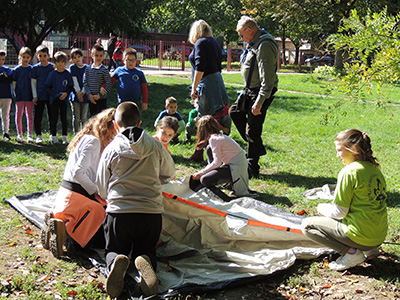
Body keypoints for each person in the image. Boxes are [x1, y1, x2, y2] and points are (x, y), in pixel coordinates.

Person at [96, 102, 175, 298]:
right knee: (147, 248)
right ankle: (146, 262)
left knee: (113, 248)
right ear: (140, 123)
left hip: (119, 212)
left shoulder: (112, 148)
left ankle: (115, 261)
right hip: (150, 213)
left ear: (115, 125)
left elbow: (100, 185)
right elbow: (169, 174)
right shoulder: (156, 146)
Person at [302, 129, 387, 271]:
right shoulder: (375, 169)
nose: (337, 155)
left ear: (353, 149)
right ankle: (369, 250)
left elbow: (340, 212)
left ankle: (351, 253)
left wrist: (321, 207)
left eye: (340, 150)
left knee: (307, 225)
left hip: (361, 236)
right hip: (378, 237)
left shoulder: (349, 171)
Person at [41, 108, 117, 258]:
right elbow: (79, 173)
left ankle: (60, 224)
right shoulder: (94, 141)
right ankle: (69, 237)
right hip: (76, 195)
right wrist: (96, 191)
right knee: (103, 213)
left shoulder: (89, 138)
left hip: (69, 194)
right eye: (115, 131)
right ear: (108, 127)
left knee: (103, 207)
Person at [229, 16, 279, 179]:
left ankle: (253, 167)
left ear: (249, 30)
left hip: (261, 91)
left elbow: (268, 78)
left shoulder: (264, 45)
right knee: (235, 112)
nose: (241, 39)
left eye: (242, 35)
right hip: (250, 89)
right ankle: (257, 147)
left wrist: (259, 102)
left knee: (253, 128)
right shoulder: (255, 42)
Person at [186, 20, 229, 160]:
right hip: (217, 81)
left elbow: (200, 67)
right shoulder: (214, 42)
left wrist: (194, 87)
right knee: (214, 117)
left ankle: (199, 153)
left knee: (203, 119)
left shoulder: (200, 43)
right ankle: (219, 150)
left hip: (207, 83)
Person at [192, 115, 250, 197]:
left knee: (204, 179)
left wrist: (201, 173)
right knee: (209, 148)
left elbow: (217, 163)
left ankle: (225, 198)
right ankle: (222, 180)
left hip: (235, 168)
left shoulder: (214, 139)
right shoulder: (219, 137)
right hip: (232, 165)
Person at [45, 51, 74, 144]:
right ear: (55, 62)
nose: (60, 64)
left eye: (62, 61)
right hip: (54, 100)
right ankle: (53, 136)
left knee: (63, 118)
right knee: (54, 118)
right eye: (58, 61)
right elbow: (47, 87)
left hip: (64, 100)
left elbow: (71, 87)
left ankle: (64, 136)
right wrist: (55, 95)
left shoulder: (67, 74)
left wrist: (66, 93)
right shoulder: (52, 74)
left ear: (65, 62)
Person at [30, 45, 54, 144]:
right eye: (40, 56)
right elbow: (33, 83)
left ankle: (53, 134)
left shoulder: (52, 67)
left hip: (50, 96)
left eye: (44, 56)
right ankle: (38, 135)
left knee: (52, 115)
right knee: (38, 116)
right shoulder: (35, 68)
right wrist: (35, 96)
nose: (43, 58)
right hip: (39, 96)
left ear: (48, 56)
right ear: (37, 56)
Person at [83, 44, 112, 116]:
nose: (99, 57)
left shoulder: (104, 70)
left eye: (101, 55)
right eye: (96, 55)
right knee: (93, 117)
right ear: (92, 56)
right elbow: (85, 83)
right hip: (91, 99)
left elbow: (109, 84)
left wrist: (99, 95)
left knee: (101, 119)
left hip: (101, 99)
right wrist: (89, 95)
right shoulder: (88, 69)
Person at [12, 47, 33, 142]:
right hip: (20, 95)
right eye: (23, 57)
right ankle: (19, 133)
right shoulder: (17, 70)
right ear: (20, 57)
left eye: (27, 57)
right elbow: (14, 82)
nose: (26, 59)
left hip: (29, 95)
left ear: (30, 58)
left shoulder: (32, 69)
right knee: (19, 115)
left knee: (29, 115)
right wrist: (14, 92)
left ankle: (30, 133)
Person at [69, 48, 89, 134]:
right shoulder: (72, 68)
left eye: (78, 56)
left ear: (82, 57)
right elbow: (74, 81)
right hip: (75, 95)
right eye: (74, 57)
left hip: (85, 95)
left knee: (84, 117)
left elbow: (87, 81)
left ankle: (84, 134)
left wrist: (83, 92)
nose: (77, 59)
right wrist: (78, 93)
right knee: (76, 117)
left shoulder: (88, 68)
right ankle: (76, 134)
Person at [0, 50, 13, 141]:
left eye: (3, 59)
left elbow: (9, 79)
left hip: (6, 95)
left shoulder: (7, 70)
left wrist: (4, 78)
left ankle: (6, 133)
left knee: (5, 115)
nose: (1, 61)